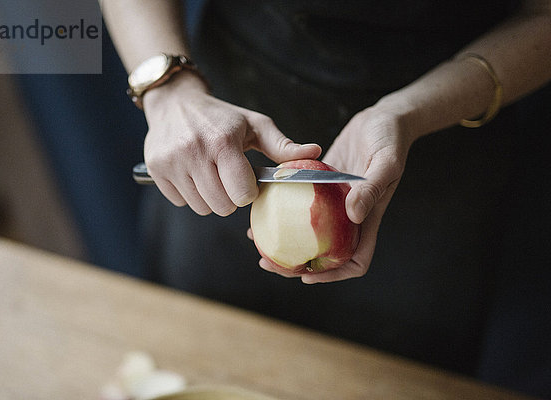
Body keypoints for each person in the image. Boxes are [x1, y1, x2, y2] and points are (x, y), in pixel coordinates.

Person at [102, 0, 551, 396]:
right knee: (197, 365)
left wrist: (406, 115)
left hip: (441, 138)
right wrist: (167, 89)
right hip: (221, 136)